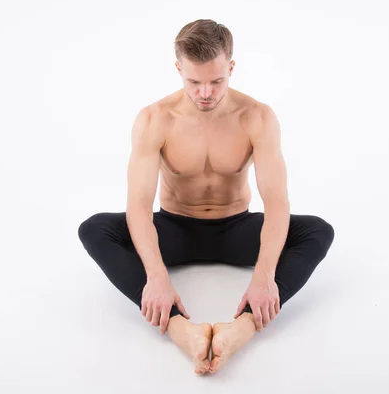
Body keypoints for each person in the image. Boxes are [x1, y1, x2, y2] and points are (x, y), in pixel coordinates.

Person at [77, 19, 335, 374]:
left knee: (317, 231)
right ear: (178, 69)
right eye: (194, 82)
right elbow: (138, 206)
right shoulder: (154, 119)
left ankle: (241, 328)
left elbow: (277, 203)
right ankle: (180, 328)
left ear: (231, 67)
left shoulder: (257, 117)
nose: (205, 93)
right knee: (95, 229)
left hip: (236, 229)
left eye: (216, 82)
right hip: (174, 230)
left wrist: (263, 277)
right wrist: (156, 277)